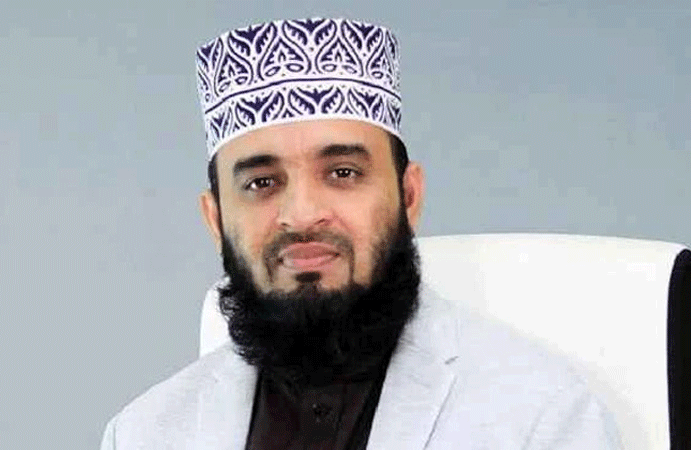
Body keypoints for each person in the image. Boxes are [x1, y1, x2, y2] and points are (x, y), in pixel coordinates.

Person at [100, 18, 622, 449]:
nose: (302, 215)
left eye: (342, 172)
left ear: (409, 196)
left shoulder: (538, 417)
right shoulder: (143, 434)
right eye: (262, 182)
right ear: (215, 220)